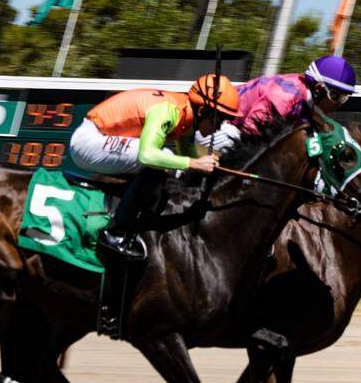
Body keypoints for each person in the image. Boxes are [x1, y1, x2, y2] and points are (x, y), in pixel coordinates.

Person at [69, 73, 241, 258]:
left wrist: (208, 171)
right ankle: (116, 233)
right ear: (201, 112)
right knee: (161, 159)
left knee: (172, 168)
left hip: (103, 139)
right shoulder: (168, 111)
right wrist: (194, 163)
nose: (219, 127)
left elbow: (186, 160)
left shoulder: (185, 115)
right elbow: (147, 155)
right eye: (219, 119)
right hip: (87, 142)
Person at [197, 55, 358, 152]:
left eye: (345, 97)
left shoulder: (305, 99)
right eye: (336, 96)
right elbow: (251, 131)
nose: (339, 104)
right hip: (216, 126)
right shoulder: (286, 97)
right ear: (318, 89)